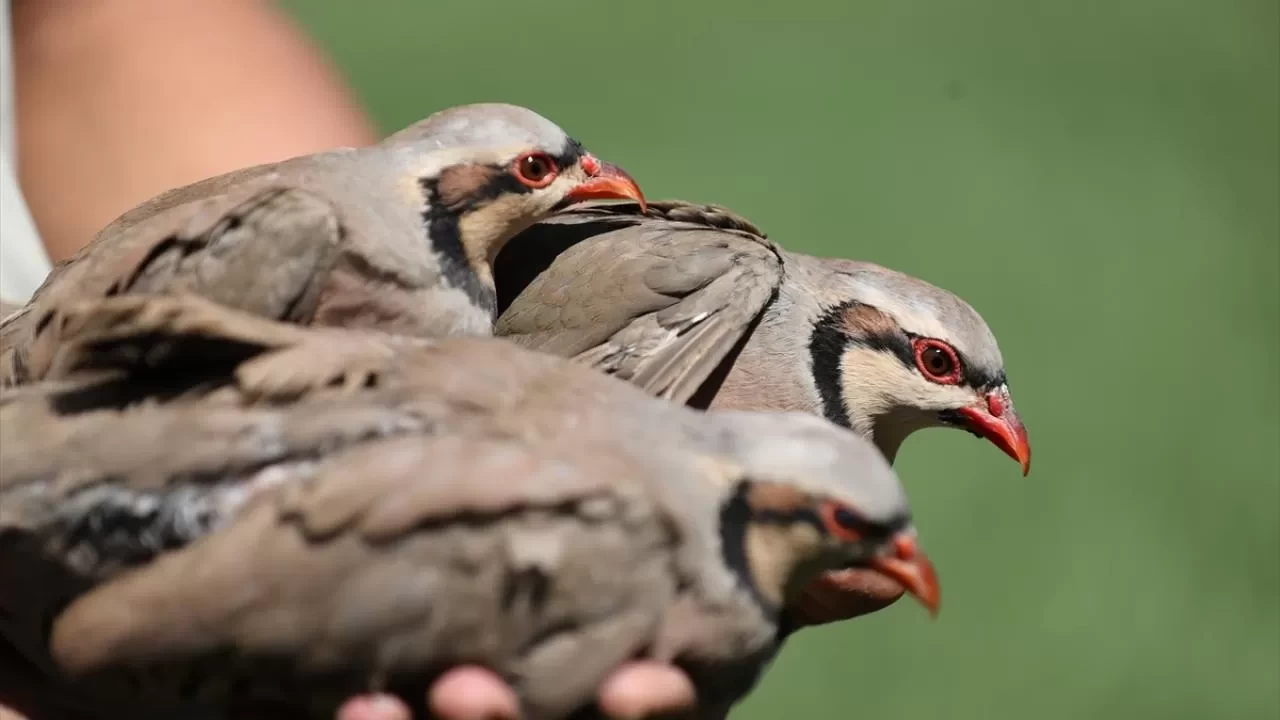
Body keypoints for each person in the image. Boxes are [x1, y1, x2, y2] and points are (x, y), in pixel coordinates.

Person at [0, 1, 700, 718]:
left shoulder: (413, 266)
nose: (590, 179)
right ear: (449, 185)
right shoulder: (308, 234)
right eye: (535, 171)